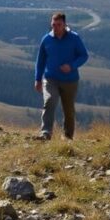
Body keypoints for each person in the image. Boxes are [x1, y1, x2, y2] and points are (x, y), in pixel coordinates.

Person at [34, 11, 89, 140]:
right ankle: (45, 133)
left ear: (65, 24)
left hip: (70, 80)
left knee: (68, 109)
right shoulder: (46, 39)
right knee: (49, 101)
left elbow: (84, 55)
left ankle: (67, 136)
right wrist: (38, 79)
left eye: (59, 24)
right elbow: (40, 60)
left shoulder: (74, 38)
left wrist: (71, 66)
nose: (56, 27)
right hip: (51, 78)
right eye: (54, 24)